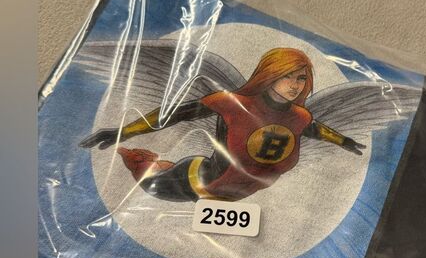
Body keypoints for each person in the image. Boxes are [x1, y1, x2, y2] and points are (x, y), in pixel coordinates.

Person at [80, 47, 365, 202]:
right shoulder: (232, 103)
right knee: (147, 180)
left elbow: (317, 130)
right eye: (287, 75)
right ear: (269, 74)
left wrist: (345, 141)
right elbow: (173, 114)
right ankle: (135, 157)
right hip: (196, 182)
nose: (295, 85)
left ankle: (153, 161)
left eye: (301, 78)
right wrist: (121, 132)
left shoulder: (299, 118)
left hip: (234, 198)